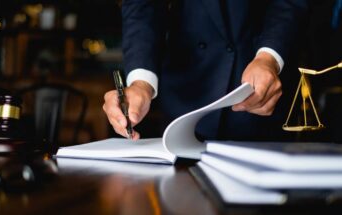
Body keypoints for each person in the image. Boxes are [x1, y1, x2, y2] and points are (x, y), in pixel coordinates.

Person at [103, 0, 308, 141]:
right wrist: (141, 83)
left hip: (261, 93)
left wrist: (268, 58)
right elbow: (143, 6)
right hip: (185, 100)